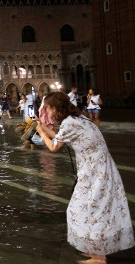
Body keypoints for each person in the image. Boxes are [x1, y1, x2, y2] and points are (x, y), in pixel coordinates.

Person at [36, 92, 134, 261]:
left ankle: (98, 258)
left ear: (54, 108)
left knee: (87, 210)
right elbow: (60, 138)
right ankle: (95, 250)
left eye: (47, 108)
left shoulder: (69, 123)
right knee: (93, 209)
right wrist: (41, 126)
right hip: (98, 168)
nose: (46, 112)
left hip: (95, 172)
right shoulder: (77, 118)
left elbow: (53, 146)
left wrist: (39, 131)